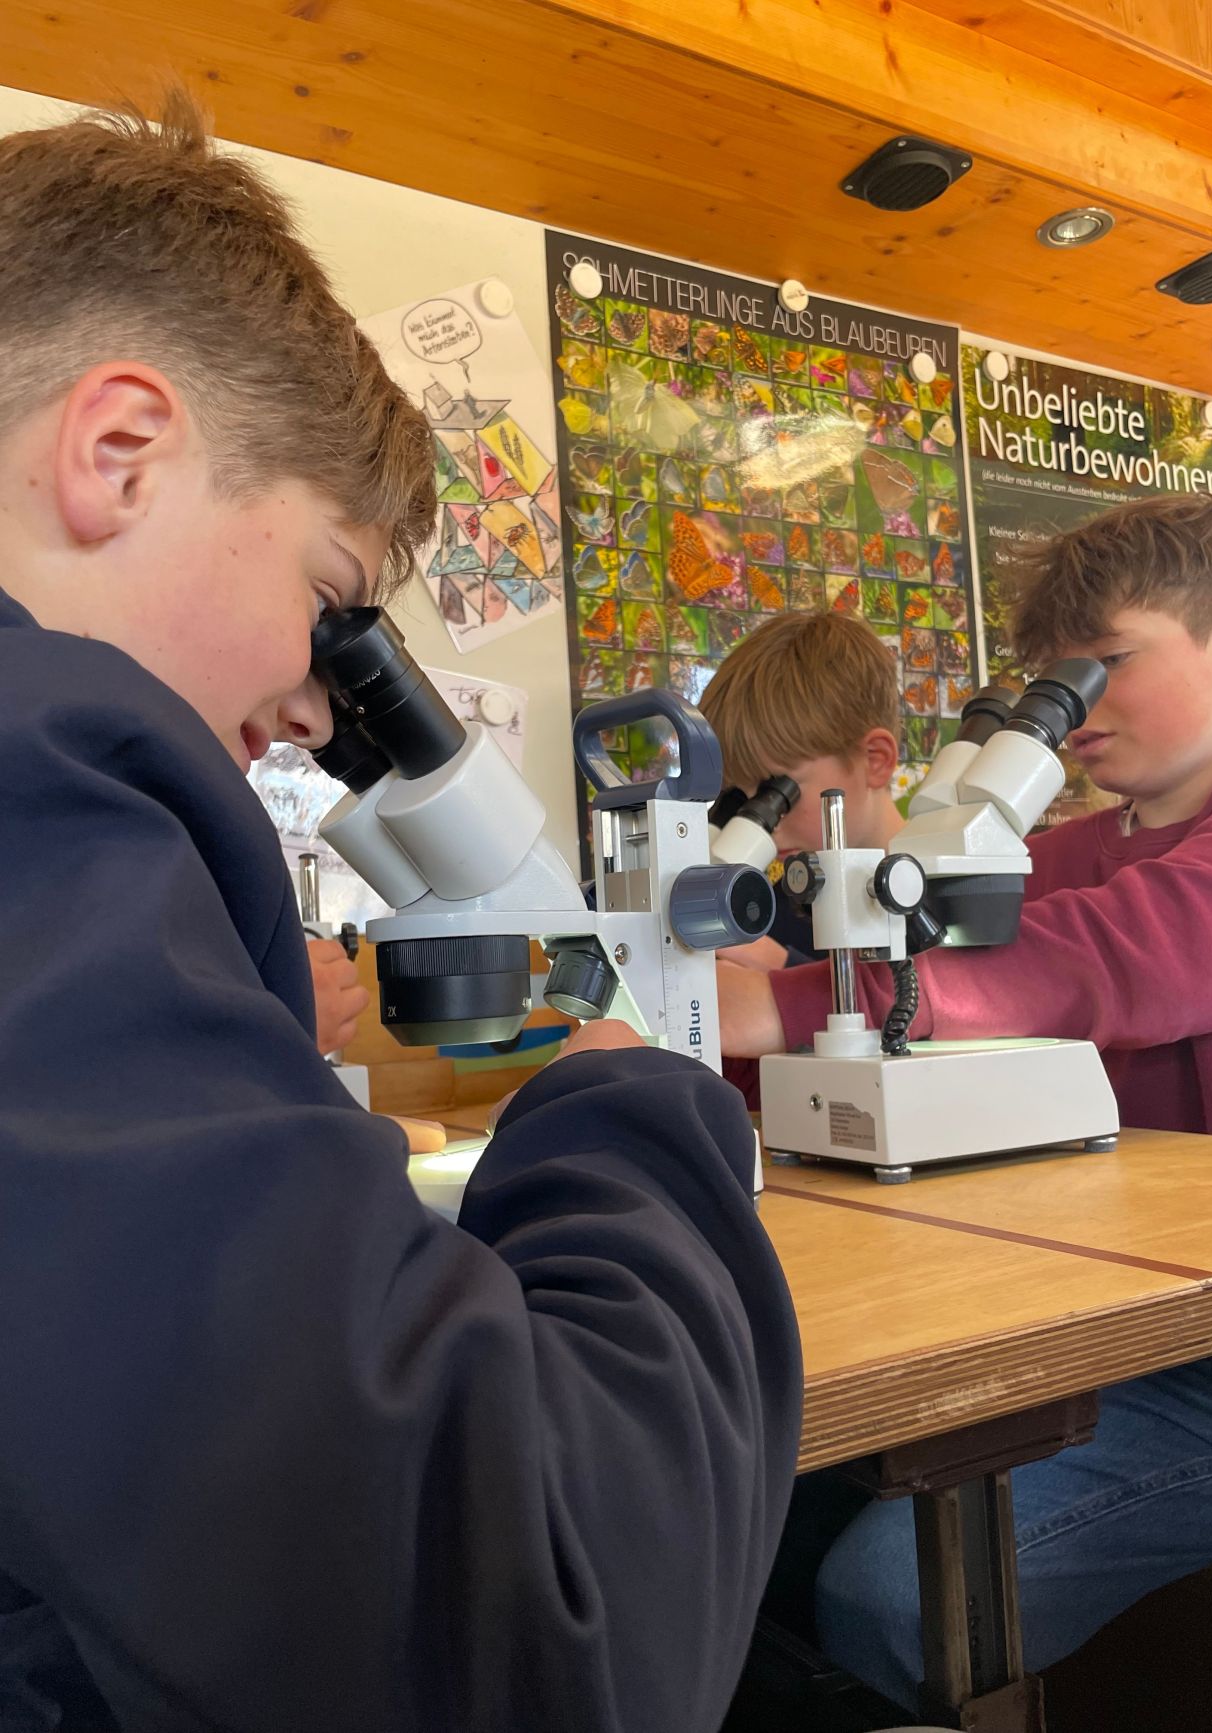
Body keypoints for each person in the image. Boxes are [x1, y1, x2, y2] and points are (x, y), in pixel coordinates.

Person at [0, 93, 802, 1732]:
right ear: (119, 449)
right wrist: (628, 1108)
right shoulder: (39, 766)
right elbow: (560, 1638)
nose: (318, 710)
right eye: (333, 602)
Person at [718, 491, 1212, 1711]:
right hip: (1146, 1340)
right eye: (1052, 675)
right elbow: (907, 999)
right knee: (796, 1523)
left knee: (898, 1596)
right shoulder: (1067, 854)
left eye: (1105, 661)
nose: (1072, 705)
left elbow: (1132, 949)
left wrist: (779, 1002)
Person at [698, 610, 904, 970]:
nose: (766, 825)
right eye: (739, 797)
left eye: (776, 793)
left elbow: (934, 996)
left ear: (874, 760)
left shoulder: (957, 900)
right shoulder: (775, 911)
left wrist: (784, 975)